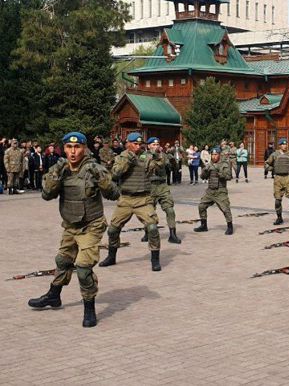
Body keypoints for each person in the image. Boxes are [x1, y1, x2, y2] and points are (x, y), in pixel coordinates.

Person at [27, 132, 119, 327]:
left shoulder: (94, 169)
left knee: (84, 268)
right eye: (69, 147)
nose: (73, 151)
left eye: (77, 147)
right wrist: (55, 174)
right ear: (64, 148)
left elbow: (114, 194)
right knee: (63, 260)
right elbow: (46, 195)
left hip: (91, 225)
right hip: (70, 225)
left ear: (84, 148)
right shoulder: (60, 169)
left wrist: (102, 181)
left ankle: (89, 308)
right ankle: (54, 295)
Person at [99, 133, 164, 271]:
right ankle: (111, 256)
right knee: (112, 230)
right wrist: (128, 158)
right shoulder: (121, 156)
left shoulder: (146, 156)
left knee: (152, 228)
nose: (138, 146)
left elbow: (159, 167)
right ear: (127, 143)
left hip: (143, 199)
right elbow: (116, 173)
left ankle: (155, 259)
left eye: (140, 144)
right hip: (126, 199)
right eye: (135, 143)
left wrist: (158, 155)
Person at [144, 138, 181, 244]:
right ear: (149, 146)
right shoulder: (144, 156)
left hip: (162, 186)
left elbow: (173, 168)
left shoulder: (164, 155)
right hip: (150, 186)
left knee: (170, 209)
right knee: (149, 212)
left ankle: (172, 234)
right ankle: (147, 232)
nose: (156, 146)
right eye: (154, 144)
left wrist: (173, 161)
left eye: (157, 144)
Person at [193, 147, 234, 235]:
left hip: (220, 191)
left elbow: (229, 176)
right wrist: (205, 171)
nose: (214, 156)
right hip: (210, 191)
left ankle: (230, 226)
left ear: (219, 155)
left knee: (225, 209)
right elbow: (202, 177)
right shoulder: (209, 164)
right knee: (201, 206)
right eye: (212, 154)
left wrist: (218, 172)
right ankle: (204, 225)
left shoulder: (224, 164)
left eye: (216, 154)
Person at [265, 139, 289, 225]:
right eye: (283, 144)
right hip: (278, 179)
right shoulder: (274, 155)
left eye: (286, 144)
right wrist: (273, 169)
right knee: (278, 200)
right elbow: (266, 164)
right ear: (279, 145)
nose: (285, 146)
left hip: (288, 178)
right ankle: (279, 218)